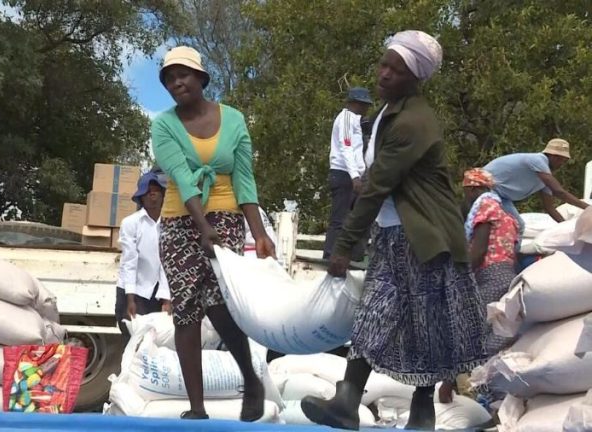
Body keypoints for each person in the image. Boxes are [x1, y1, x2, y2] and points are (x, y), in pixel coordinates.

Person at [302, 31, 487, 430]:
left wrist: (343, 246)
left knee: (427, 323)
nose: (384, 74)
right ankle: (348, 403)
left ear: (415, 77)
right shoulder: (389, 112)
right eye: (384, 64)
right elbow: (375, 181)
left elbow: (375, 188)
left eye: (396, 69)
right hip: (395, 234)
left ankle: (417, 415)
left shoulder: (413, 121)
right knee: (375, 315)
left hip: (425, 236)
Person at [151, 46, 277, 421]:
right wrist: (201, 228)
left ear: (202, 78)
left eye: (184, 74)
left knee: (220, 304)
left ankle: (250, 380)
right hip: (179, 218)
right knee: (186, 308)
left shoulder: (234, 120)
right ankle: (197, 407)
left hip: (226, 216)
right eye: (170, 77)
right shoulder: (163, 125)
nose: (177, 82)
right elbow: (182, 177)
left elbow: (244, 180)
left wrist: (259, 234)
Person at [439, 168, 519, 406]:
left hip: (491, 274)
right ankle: (495, 394)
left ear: (473, 189)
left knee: (471, 329)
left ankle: (462, 386)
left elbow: (479, 248)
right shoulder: (504, 210)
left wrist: (460, 275)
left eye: (466, 192)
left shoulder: (486, 207)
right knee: (496, 332)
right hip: (506, 273)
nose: (466, 197)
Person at [484, 139, 588, 236]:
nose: (561, 164)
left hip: (502, 196)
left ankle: (506, 254)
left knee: (518, 226)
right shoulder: (538, 160)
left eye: (563, 161)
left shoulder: (544, 177)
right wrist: (588, 208)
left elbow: (549, 208)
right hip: (485, 187)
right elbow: (559, 192)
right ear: (552, 156)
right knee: (489, 223)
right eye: (560, 159)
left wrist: (566, 227)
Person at [114, 171, 172, 347]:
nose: (152, 196)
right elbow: (129, 262)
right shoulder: (131, 223)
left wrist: (167, 298)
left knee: (157, 340)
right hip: (134, 289)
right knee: (134, 339)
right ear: (141, 198)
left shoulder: (170, 223)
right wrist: (130, 299)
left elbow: (167, 261)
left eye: (156, 191)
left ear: (163, 196)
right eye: (148, 192)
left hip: (158, 290)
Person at [323, 87, 373, 261]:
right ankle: (330, 255)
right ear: (354, 103)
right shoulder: (345, 118)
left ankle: (354, 256)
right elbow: (346, 146)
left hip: (356, 173)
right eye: (363, 105)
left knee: (359, 218)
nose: (366, 108)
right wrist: (354, 176)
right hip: (344, 173)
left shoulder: (357, 121)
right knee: (340, 218)